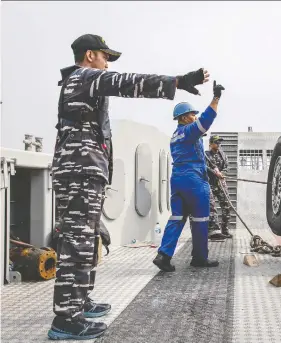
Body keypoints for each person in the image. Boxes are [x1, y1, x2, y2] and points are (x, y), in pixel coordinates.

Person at [48, 33, 209, 340]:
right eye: (105, 56)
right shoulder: (86, 76)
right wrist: (175, 83)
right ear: (91, 55)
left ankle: (79, 302)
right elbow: (126, 82)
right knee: (77, 243)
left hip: (85, 170)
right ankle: (66, 319)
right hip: (79, 170)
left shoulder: (82, 80)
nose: (107, 63)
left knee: (87, 239)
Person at [153, 80, 225, 272]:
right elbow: (206, 121)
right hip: (193, 180)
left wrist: (211, 171)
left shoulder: (175, 136)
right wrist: (216, 98)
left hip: (177, 179)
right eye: (193, 114)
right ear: (184, 118)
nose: (195, 117)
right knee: (200, 219)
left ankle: (164, 255)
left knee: (177, 218)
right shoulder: (188, 131)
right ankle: (199, 258)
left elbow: (191, 157)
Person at [205, 136, 233, 238]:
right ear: (211, 143)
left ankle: (224, 230)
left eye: (219, 143)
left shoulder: (223, 155)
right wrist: (215, 173)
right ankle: (214, 231)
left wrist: (221, 173)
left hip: (221, 184)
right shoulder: (205, 155)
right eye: (216, 142)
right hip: (210, 184)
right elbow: (205, 168)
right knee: (211, 207)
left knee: (226, 207)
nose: (218, 144)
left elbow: (226, 167)